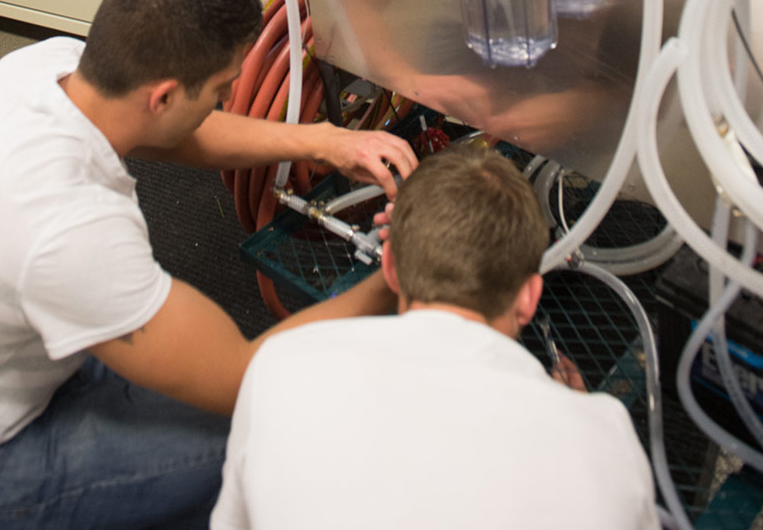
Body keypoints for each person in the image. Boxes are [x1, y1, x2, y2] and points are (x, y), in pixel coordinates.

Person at [0, 0, 417, 530]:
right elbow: (247, 373)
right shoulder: (67, 228)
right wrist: (394, 276)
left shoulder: (46, 69)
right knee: (267, 432)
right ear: (166, 95)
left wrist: (322, 142)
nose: (227, 101)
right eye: (221, 90)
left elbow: (169, 135)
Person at [213, 146, 658, 530]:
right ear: (530, 296)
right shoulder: (604, 439)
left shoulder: (279, 374)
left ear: (388, 269)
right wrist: (573, 415)